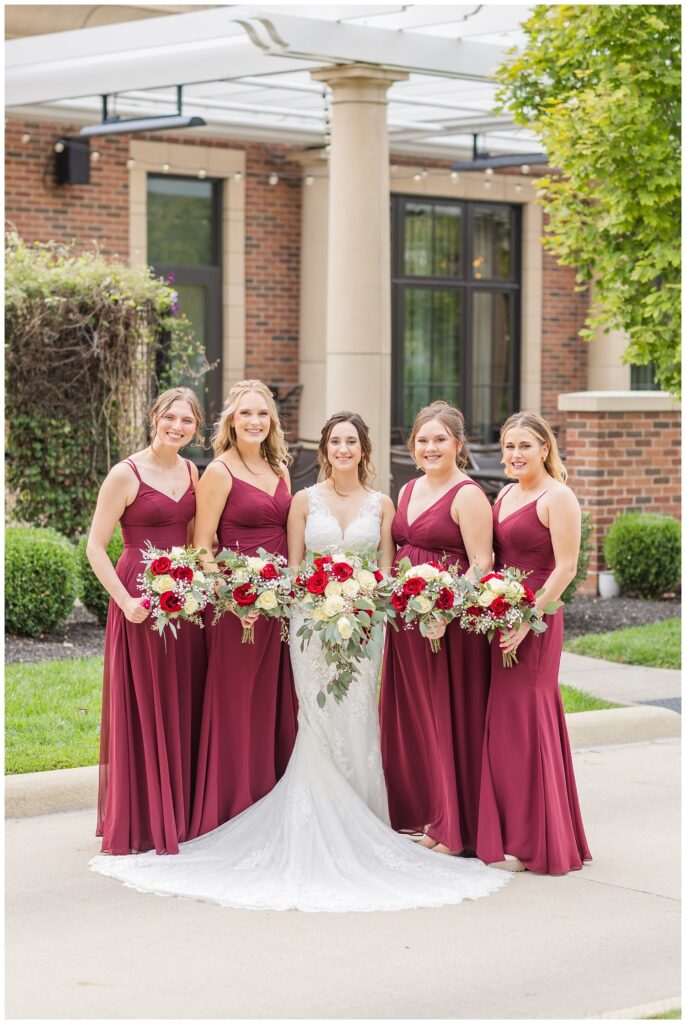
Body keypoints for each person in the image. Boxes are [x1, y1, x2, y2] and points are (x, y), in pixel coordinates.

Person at [89, 412, 509, 911]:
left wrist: (368, 598)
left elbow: (387, 565)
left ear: (364, 448)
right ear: (325, 449)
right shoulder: (303, 500)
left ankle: (367, 814)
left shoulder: (384, 502)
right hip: (309, 621)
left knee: (358, 716)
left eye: (352, 441)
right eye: (335, 441)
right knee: (314, 715)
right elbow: (293, 565)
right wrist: (278, 600)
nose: (344, 449)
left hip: (367, 622)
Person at [87, 387, 207, 855]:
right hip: (138, 592)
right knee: (146, 701)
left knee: (181, 696)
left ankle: (177, 813)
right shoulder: (125, 474)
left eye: (187, 421)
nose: (177, 427)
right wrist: (125, 600)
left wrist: (199, 585)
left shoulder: (192, 469)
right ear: (155, 417)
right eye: (170, 418)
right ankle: (143, 817)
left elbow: (198, 540)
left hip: (185, 596)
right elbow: (96, 547)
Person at [476, 412, 592, 874]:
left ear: (545, 448)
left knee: (528, 719)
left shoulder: (558, 497)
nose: (516, 454)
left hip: (538, 620)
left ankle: (538, 842)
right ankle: (514, 834)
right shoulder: (504, 494)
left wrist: (528, 618)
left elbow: (565, 568)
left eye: (526, 445)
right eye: (509, 446)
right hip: (503, 616)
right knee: (505, 726)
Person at [380, 401, 493, 856]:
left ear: (457, 445)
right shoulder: (407, 490)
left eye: (439, 440)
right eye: (423, 440)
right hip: (408, 619)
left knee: (445, 714)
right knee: (414, 714)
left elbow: (482, 562)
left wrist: (443, 610)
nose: (430, 447)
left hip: (448, 622)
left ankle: (453, 823)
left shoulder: (468, 495)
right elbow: (397, 548)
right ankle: (424, 811)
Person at [188, 380, 297, 837]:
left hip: (278, 607)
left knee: (273, 701)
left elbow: (293, 541)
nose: (255, 421)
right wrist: (234, 597)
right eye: (245, 414)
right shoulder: (218, 471)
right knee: (236, 703)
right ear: (231, 421)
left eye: (263, 414)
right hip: (236, 610)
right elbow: (201, 547)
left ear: (272, 421)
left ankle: (269, 802)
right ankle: (229, 809)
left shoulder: (280, 469)